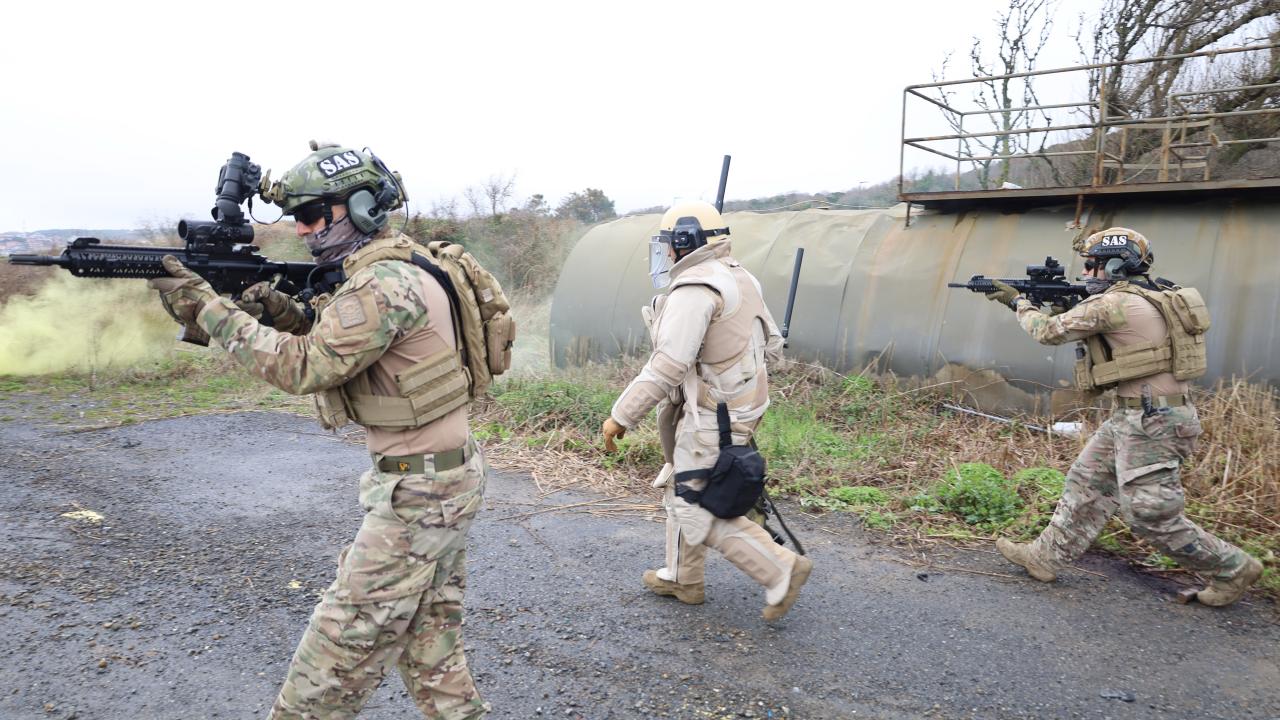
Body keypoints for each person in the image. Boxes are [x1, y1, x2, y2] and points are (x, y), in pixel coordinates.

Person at [148, 141, 490, 718]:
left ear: (358, 208)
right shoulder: (395, 268)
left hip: (420, 497)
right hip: (438, 482)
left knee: (327, 668)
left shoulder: (383, 284)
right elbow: (338, 339)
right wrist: (280, 312)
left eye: (311, 215)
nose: (302, 230)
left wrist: (210, 310)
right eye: (296, 217)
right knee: (431, 653)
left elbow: (305, 366)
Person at [986, 227, 1262, 607]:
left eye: (1092, 264)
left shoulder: (1114, 304)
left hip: (1153, 422)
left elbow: (1048, 332)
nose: (1085, 272)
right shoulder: (1150, 293)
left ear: (1117, 266)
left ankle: (1232, 568)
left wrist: (1019, 303)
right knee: (1087, 481)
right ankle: (1045, 557)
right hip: (1137, 416)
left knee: (1149, 513)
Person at [601, 200, 812, 621]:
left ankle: (779, 569)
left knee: (693, 505)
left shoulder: (694, 291)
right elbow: (771, 346)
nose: (664, 254)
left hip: (710, 416)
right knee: (681, 485)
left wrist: (620, 416)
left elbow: (668, 364)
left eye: (668, 244)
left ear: (684, 242)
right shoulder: (740, 277)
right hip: (738, 409)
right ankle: (683, 577)